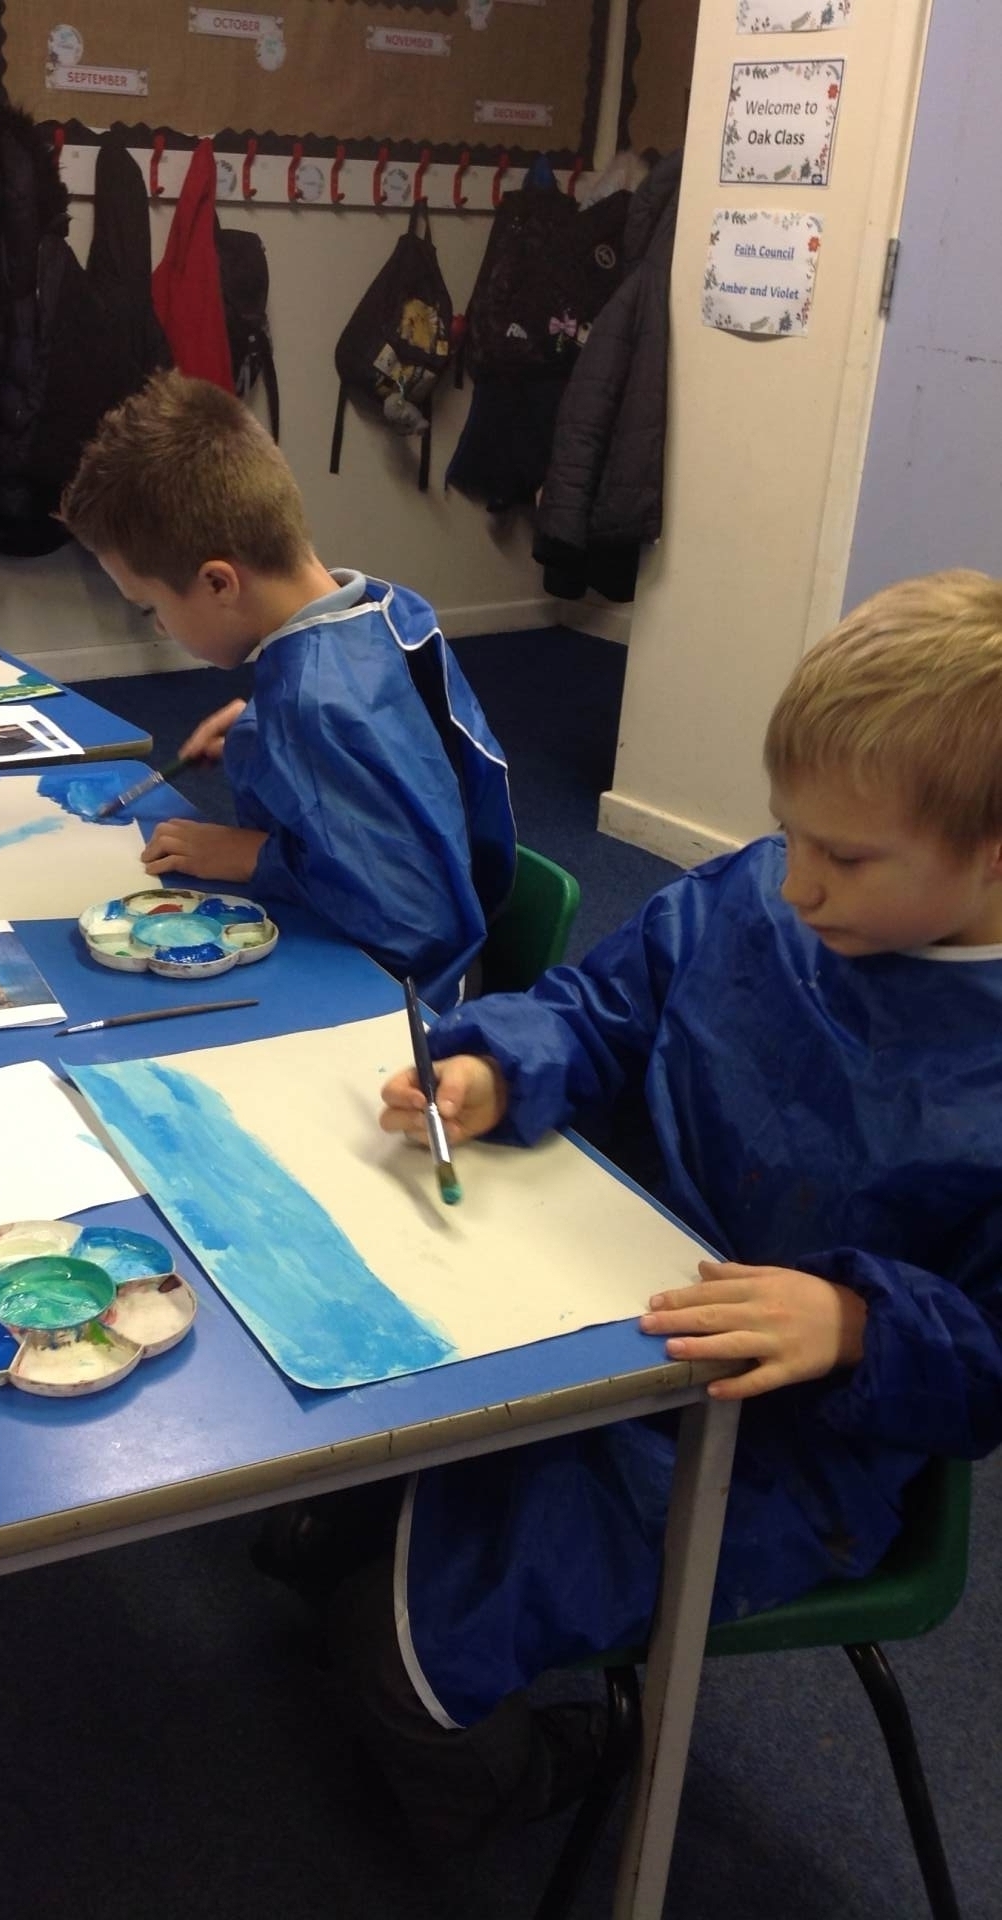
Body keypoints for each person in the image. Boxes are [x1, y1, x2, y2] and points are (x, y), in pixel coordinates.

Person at [355, 568, 1002, 1848]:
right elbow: (605, 1006)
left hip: (776, 1443)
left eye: (846, 856)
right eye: (789, 832)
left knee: (402, 1656)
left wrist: (859, 1325)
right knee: (337, 1441)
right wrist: (502, 1068)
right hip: (596, 1296)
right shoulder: (757, 896)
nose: (797, 884)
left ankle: (538, 1773)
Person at [59, 370, 516, 1008]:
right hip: (464, 935)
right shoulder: (384, 607)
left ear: (219, 583)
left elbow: (416, 923)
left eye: (151, 609)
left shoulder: (313, 707)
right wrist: (262, 726)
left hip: (401, 1002)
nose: (160, 627)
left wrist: (255, 856)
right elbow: (398, 741)